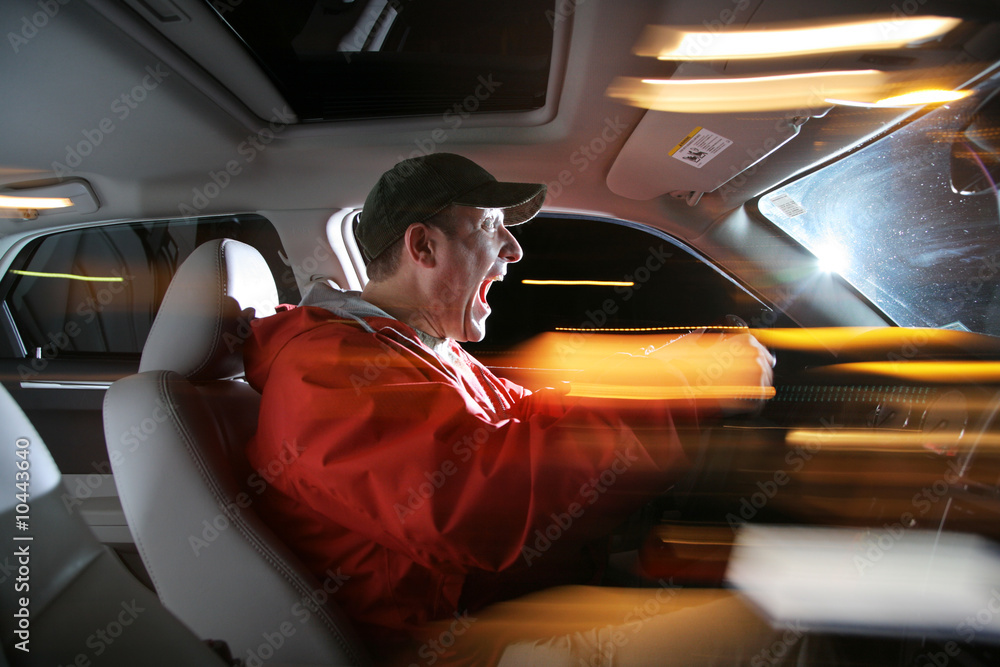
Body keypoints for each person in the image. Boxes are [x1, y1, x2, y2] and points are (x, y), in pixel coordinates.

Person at [243, 153, 780, 665]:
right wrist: (686, 388)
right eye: (490, 226)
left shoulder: (428, 351)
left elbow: (535, 415)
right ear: (424, 247)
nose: (514, 250)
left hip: (501, 607)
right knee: (779, 635)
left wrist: (669, 366)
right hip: (454, 647)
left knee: (745, 575)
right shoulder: (328, 369)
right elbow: (479, 505)